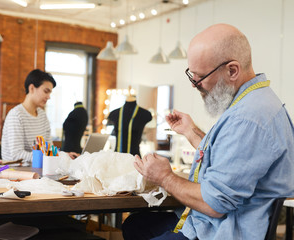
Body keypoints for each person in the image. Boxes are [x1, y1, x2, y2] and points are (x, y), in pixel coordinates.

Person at [122, 24, 294, 239]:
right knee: (136, 224)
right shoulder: (254, 102)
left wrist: (164, 177)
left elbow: (214, 203)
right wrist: (191, 131)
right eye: (191, 75)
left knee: (138, 227)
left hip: (223, 230)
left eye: (199, 77)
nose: (195, 85)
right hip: (213, 222)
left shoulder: (248, 119)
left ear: (232, 70)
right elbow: (228, 158)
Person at [1, 69, 56, 164]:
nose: (49, 97)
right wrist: (46, 157)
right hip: (13, 171)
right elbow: (16, 154)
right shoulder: (16, 115)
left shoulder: (42, 115)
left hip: (37, 169)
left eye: (50, 93)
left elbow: (49, 149)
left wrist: (62, 155)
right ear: (32, 88)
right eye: (46, 91)